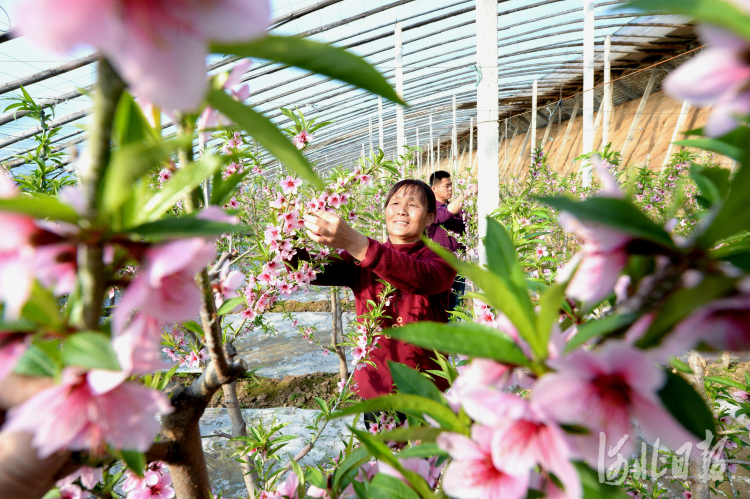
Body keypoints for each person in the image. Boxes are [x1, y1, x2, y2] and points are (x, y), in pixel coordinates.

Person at [300, 179, 456, 401]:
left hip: (425, 393)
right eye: (394, 203)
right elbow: (307, 269)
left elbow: (420, 279)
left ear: (430, 216)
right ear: (385, 211)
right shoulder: (357, 260)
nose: (401, 211)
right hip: (376, 389)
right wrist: (288, 233)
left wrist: (355, 243)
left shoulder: (442, 260)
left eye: (413, 205)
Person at [427, 170, 476, 311]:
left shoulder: (457, 208)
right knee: (439, 307)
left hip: (459, 265)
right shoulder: (430, 210)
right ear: (434, 189)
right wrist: (466, 193)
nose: (450, 188)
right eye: (446, 186)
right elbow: (444, 215)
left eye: (451, 185)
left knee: (456, 306)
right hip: (439, 266)